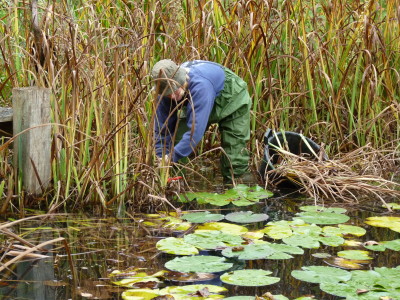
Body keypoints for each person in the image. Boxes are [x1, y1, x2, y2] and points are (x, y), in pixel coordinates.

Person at [151, 59, 254, 183]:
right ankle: (176, 185)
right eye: (168, 94)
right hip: (199, 100)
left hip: (232, 98)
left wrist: (171, 157)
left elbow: (195, 132)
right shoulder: (163, 93)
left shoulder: (200, 86)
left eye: (175, 90)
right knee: (178, 142)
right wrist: (162, 158)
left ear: (182, 80)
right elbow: (162, 129)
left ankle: (240, 189)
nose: (172, 97)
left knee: (235, 158)